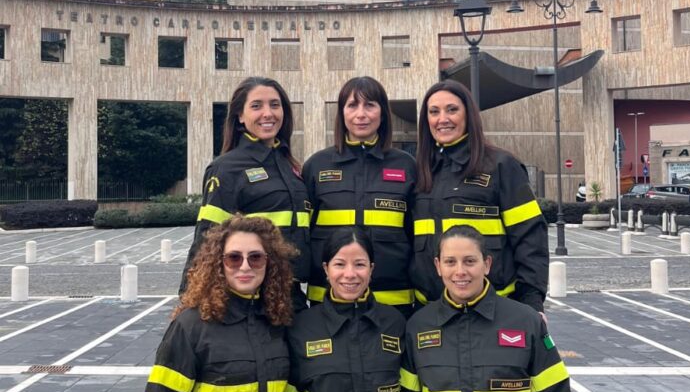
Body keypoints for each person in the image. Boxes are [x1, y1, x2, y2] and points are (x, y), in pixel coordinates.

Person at [401, 225, 572, 392]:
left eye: (470, 261)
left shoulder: (526, 322)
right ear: (438, 266)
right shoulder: (418, 326)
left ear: (487, 264)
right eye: (450, 262)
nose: (460, 271)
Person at [139, 215, 296, 392]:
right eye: (234, 258)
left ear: (270, 262)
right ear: (218, 263)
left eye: (255, 257)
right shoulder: (191, 326)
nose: (245, 266)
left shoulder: (280, 320)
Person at [412, 80, 549, 313]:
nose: (442, 118)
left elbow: (531, 237)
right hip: (431, 311)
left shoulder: (501, 166)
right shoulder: (419, 171)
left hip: (494, 310)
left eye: (452, 109)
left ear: (469, 115)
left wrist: (533, 302)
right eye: (434, 112)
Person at [178, 77, 310, 311]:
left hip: (291, 296)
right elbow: (207, 238)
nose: (268, 113)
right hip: (251, 300)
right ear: (240, 116)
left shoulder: (291, 166)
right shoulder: (226, 168)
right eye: (257, 106)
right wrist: (189, 303)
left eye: (275, 105)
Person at [302, 77, 416, 316]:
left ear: (383, 113)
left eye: (370, 105)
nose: (361, 114)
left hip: (392, 301)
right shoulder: (316, 166)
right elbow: (304, 234)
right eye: (352, 105)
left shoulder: (407, 166)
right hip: (327, 299)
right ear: (341, 113)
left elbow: (417, 236)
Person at [285, 227, 411, 392]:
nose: (350, 274)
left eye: (359, 264)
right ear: (326, 269)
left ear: (371, 268)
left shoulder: (395, 323)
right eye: (339, 264)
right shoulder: (302, 328)